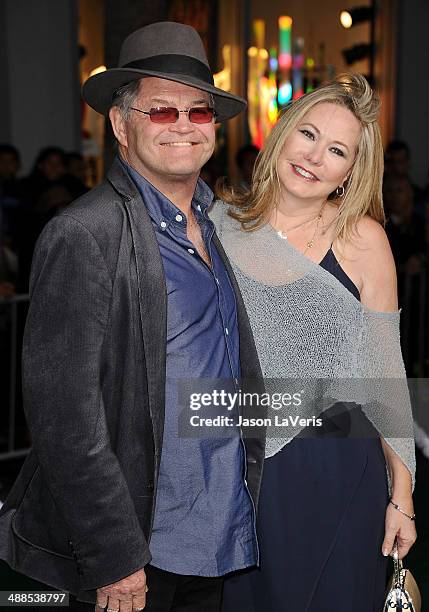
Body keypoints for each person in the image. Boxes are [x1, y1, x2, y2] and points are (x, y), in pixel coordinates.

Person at [0, 22, 265, 612]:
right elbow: (65, 418)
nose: (182, 126)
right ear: (121, 124)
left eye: (198, 113)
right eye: (161, 110)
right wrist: (115, 556)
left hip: (218, 529)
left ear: (214, 130)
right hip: (138, 549)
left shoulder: (221, 225)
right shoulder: (85, 234)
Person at [211, 74, 417, 611]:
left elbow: (385, 376)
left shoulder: (364, 241)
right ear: (281, 136)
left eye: (337, 150)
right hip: (242, 471)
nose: (314, 157)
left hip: (339, 469)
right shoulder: (218, 225)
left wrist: (403, 496)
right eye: (308, 135)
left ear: (352, 171)